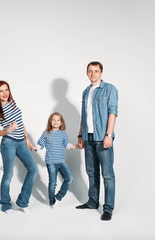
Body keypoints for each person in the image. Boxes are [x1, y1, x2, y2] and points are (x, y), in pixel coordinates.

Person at [76, 61, 118, 221]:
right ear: (87, 73)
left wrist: (109, 134)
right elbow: (84, 115)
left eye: (96, 71)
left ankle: (108, 209)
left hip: (102, 137)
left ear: (101, 73)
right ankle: (93, 202)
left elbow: (112, 112)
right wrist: (81, 135)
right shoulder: (86, 91)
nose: (93, 73)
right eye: (90, 71)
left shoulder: (109, 89)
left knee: (107, 175)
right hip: (88, 137)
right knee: (92, 172)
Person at [0, 80, 38, 214]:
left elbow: (20, 122)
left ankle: (22, 202)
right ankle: (5, 205)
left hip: (21, 142)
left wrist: (27, 139)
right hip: (8, 144)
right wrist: (9, 130)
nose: (5, 93)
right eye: (1, 91)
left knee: (33, 169)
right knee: (8, 175)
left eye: (6, 90)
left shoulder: (13, 104)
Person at [36, 112, 78, 208]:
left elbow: (67, 145)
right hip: (51, 162)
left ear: (61, 122)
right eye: (53, 120)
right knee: (53, 183)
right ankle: (51, 202)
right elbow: (40, 145)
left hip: (61, 161)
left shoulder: (63, 134)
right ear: (50, 122)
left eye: (58, 120)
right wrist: (34, 147)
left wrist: (77, 146)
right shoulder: (46, 133)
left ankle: (58, 197)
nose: (55, 122)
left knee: (69, 178)